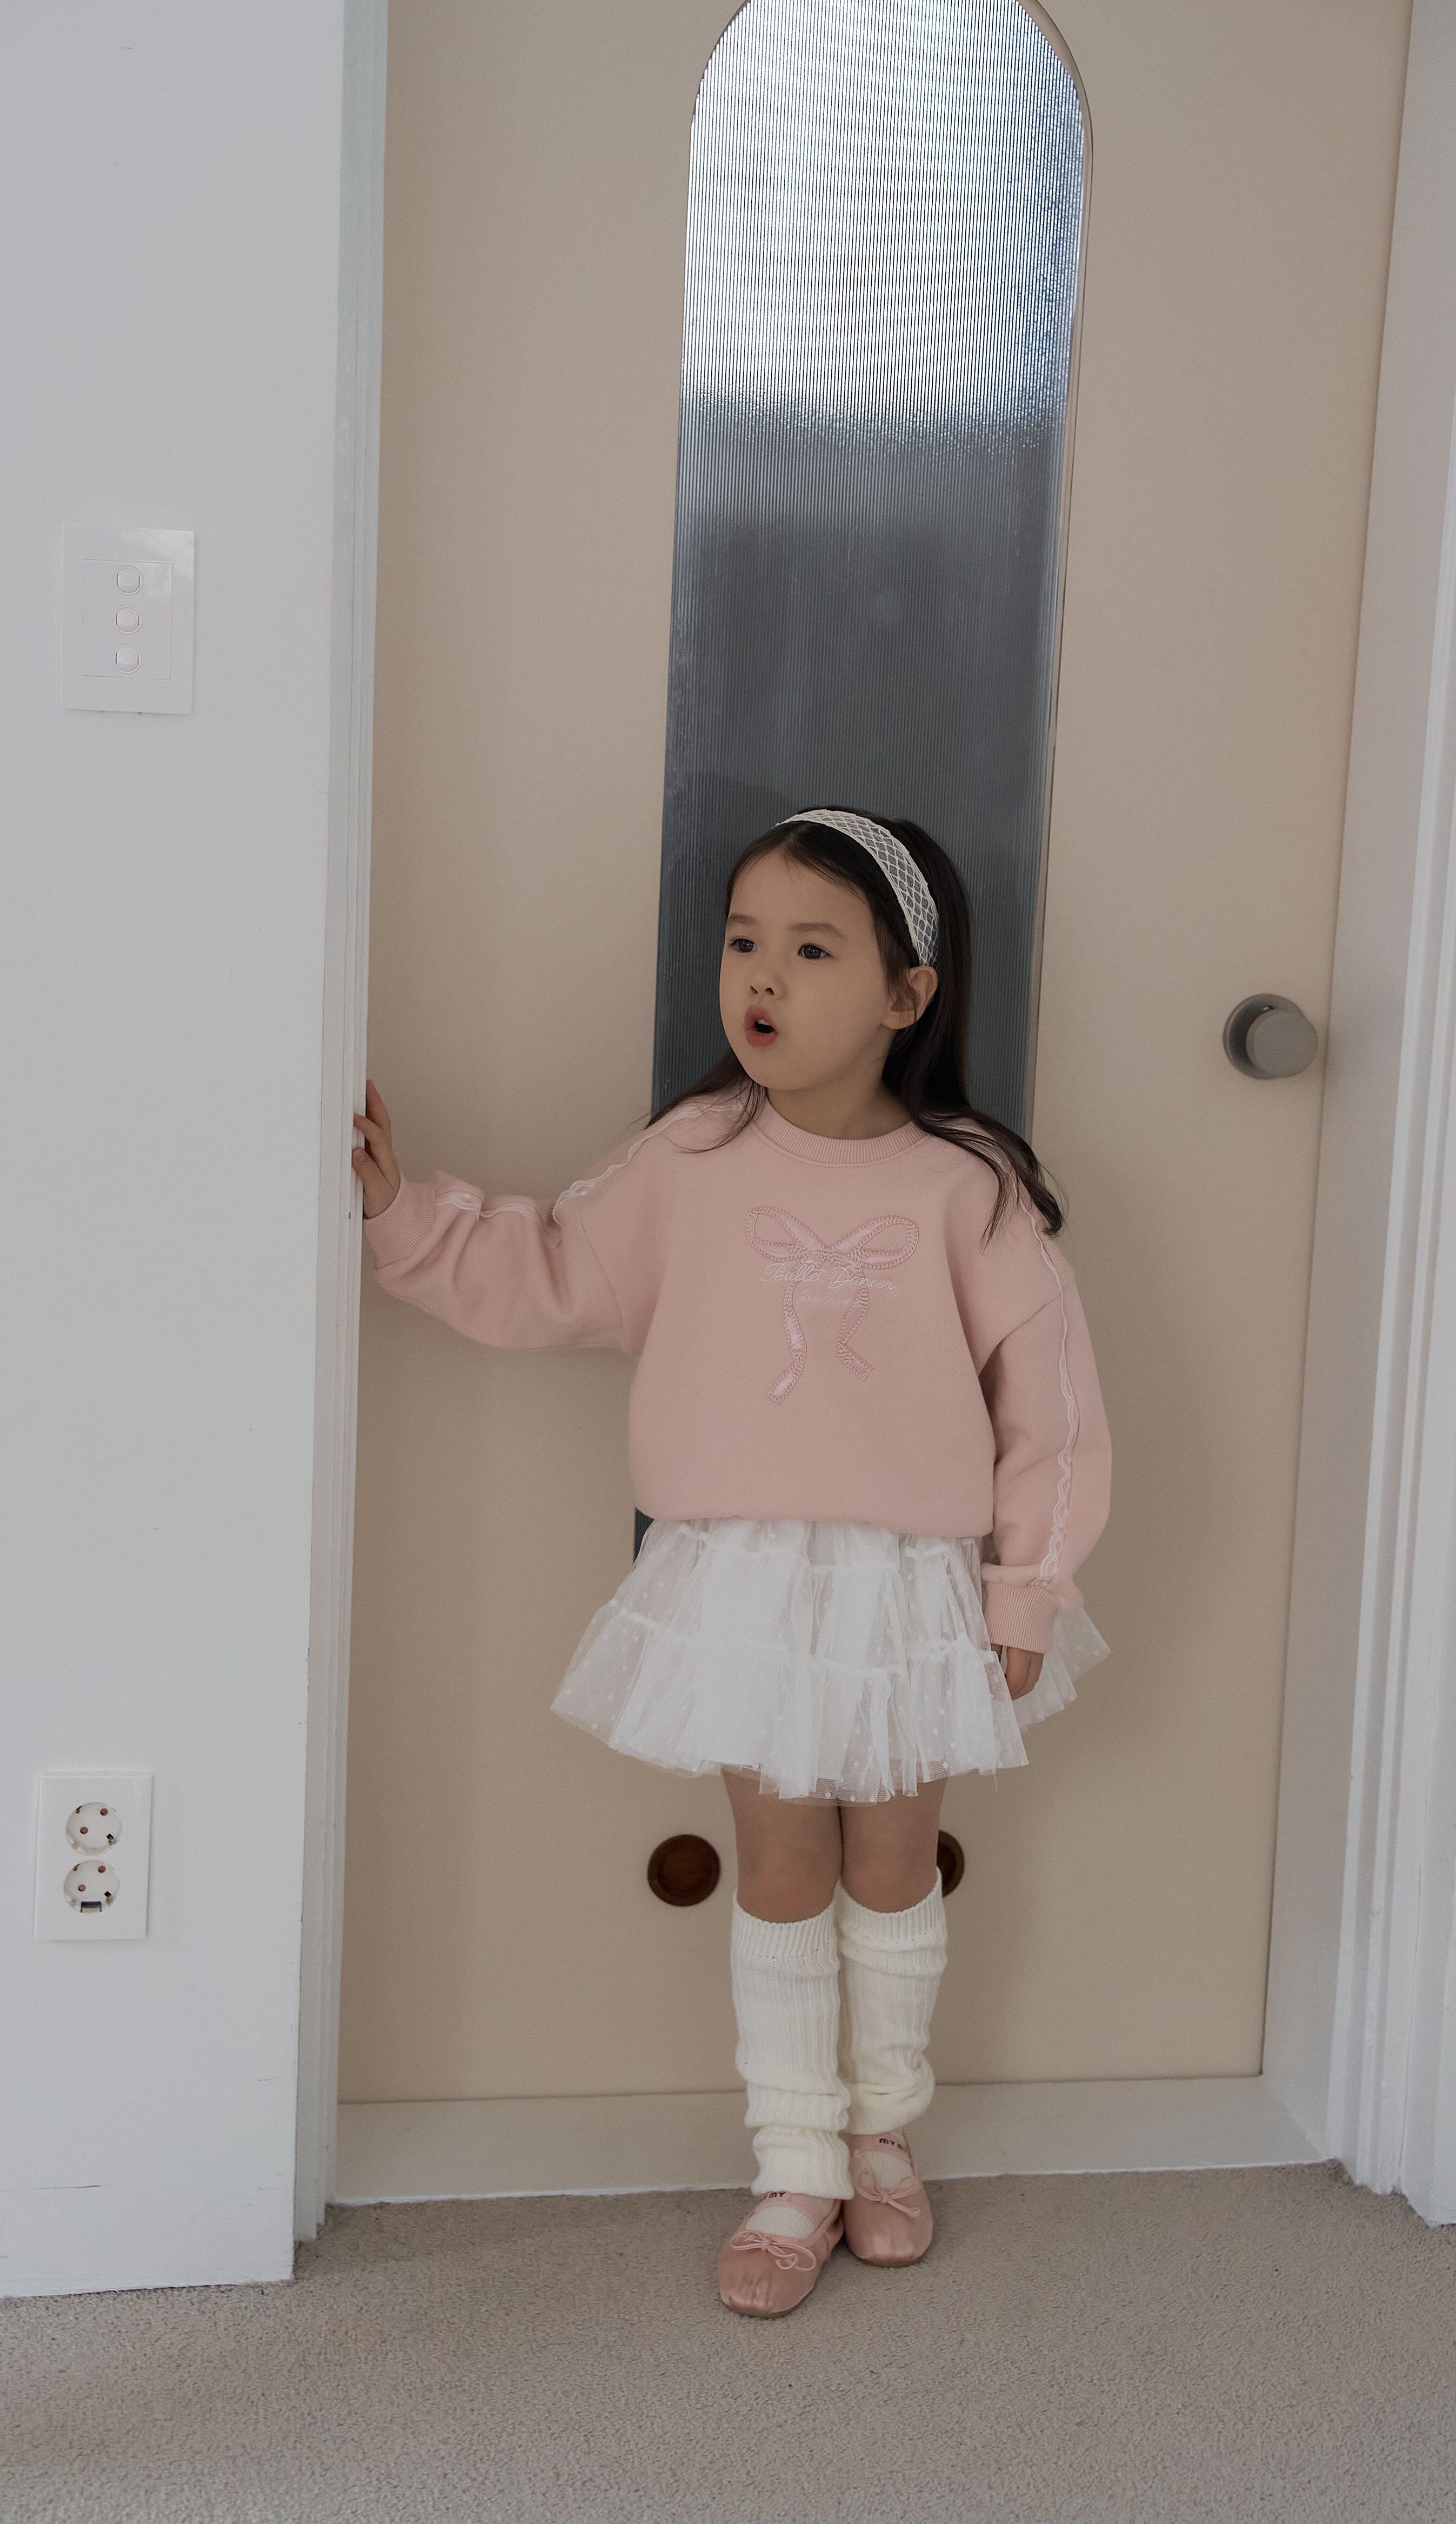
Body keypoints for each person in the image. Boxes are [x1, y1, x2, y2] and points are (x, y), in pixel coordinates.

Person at [352, 807, 1111, 2317]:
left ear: (906, 993)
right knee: (780, 1868)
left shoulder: (967, 1187)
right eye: (743, 940)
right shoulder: (689, 1156)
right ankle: (794, 2165)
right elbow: (554, 1268)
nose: (761, 976)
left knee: (892, 1865)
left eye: (812, 949)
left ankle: (882, 2132)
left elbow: (1056, 1411)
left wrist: (1026, 1587)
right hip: (744, 1578)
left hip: (910, 1586)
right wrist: (399, 1214)